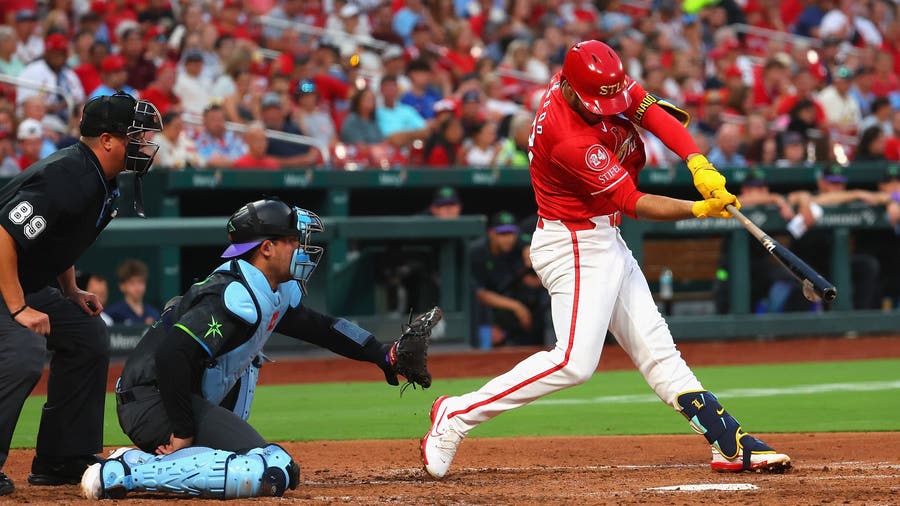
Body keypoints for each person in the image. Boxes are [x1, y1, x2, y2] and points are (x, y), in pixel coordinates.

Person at [421, 40, 791, 479]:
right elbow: (632, 201)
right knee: (574, 362)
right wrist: (698, 208)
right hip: (574, 244)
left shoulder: (588, 78)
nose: (606, 109)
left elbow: (650, 111)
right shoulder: (567, 137)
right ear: (570, 88)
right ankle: (456, 415)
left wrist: (698, 162)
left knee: (658, 350)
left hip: (602, 237)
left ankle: (727, 441)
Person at [80, 198, 438, 499]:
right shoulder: (233, 294)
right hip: (151, 401)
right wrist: (182, 433)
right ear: (267, 248)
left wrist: (383, 354)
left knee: (273, 460)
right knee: (272, 469)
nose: (300, 248)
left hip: (171, 396)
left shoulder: (271, 288)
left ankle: (141, 461)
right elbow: (171, 355)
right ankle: (121, 474)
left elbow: (322, 328)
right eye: (292, 241)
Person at [0, 91, 162, 496]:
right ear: (106, 140)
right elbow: (4, 234)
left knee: (86, 334)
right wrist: (18, 308)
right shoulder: (68, 176)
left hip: (25, 283)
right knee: (23, 353)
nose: (143, 144)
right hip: (6, 283)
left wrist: (69, 290)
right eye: (134, 136)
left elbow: (59, 239)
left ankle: (62, 457)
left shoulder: (100, 178)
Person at [470, 211, 548, 347]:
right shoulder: (477, 251)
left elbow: (527, 241)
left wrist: (528, 249)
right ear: (491, 233)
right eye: (502, 234)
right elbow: (480, 294)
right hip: (486, 312)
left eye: (511, 233)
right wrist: (517, 307)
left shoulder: (519, 244)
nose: (508, 238)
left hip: (513, 305)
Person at [105, 258, 161, 326]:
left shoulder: (154, 313)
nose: (137, 288)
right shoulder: (113, 314)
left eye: (141, 282)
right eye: (132, 283)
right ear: (122, 286)